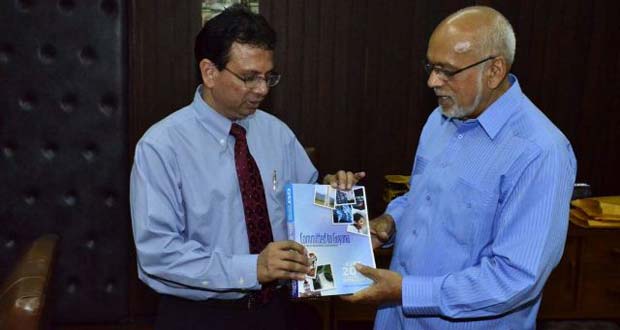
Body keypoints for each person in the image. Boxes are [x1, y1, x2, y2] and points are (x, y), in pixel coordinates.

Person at [129, 5, 363, 330]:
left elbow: (305, 210)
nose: (263, 90)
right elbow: (158, 255)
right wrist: (253, 268)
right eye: (249, 77)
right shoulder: (161, 146)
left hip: (276, 311)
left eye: (269, 77)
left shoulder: (276, 133)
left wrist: (333, 195)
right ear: (210, 72)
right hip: (199, 315)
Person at [343, 6, 576, 330]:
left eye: (446, 71)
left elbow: (515, 279)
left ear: (494, 70)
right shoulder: (441, 118)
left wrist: (407, 291)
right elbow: (422, 196)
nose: (431, 81)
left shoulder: (540, 152)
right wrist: (390, 223)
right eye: (430, 66)